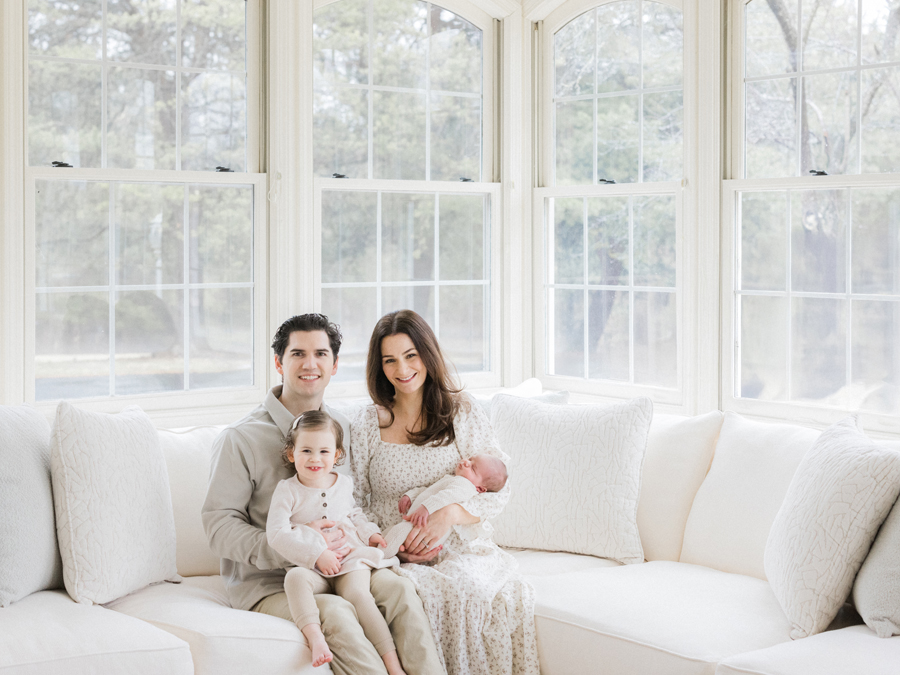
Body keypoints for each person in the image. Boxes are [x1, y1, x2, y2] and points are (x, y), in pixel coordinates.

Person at [202, 313, 443, 675]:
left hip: (345, 565)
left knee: (400, 592)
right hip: (274, 583)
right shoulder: (241, 439)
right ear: (279, 362)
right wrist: (301, 547)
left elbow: (352, 505)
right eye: (298, 353)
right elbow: (218, 527)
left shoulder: (343, 429)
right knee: (336, 612)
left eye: (320, 354)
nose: (310, 364)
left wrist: (381, 541)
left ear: (334, 365)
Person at [351, 309, 540, 675]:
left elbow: (497, 490)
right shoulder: (367, 423)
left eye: (411, 355)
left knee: (477, 593)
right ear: (380, 367)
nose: (402, 369)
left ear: (427, 354)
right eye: (390, 360)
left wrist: (449, 515)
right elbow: (353, 499)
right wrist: (385, 543)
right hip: (389, 550)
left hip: (456, 547)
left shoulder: (461, 412)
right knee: (413, 595)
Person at [267, 410, 404, 674]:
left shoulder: (343, 484)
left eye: (324, 452)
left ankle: (392, 663)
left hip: (349, 558)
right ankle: (316, 638)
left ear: (337, 455)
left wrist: (370, 533)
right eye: (306, 450)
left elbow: (354, 514)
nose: (315, 459)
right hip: (312, 568)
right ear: (291, 454)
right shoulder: (287, 490)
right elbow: (277, 533)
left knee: (358, 595)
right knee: (294, 578)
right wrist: (317, 553)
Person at [379, 454, 508, 559]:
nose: (466, 462)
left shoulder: (465, 486)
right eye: (470, 459)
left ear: (480, 488)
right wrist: (410, 496)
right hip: (417, 524)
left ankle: (378, 557)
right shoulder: (453, 480)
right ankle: (378, 551)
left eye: (473, 468)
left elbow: (446, 496)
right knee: (389, 534)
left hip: (424, 526)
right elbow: (428, 491)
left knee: (396, 533)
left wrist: (426, 507)